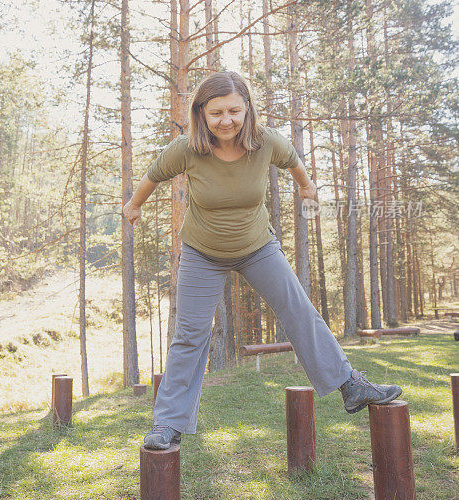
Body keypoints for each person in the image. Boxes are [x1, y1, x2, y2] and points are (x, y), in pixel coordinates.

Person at [122, 71, 402, 450]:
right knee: (190, 334)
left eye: (234, 111)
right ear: (201, 112)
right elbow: (152, 176)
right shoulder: (187, 148)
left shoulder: (266, 142)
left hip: (257, 246)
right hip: (202, 253)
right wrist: (134, 206)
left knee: (299, 310)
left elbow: (294, 161)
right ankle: (168, 423)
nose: (226, 121)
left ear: (247, 108)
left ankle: (350, 385)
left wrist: (307, 187)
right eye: (216, 112)